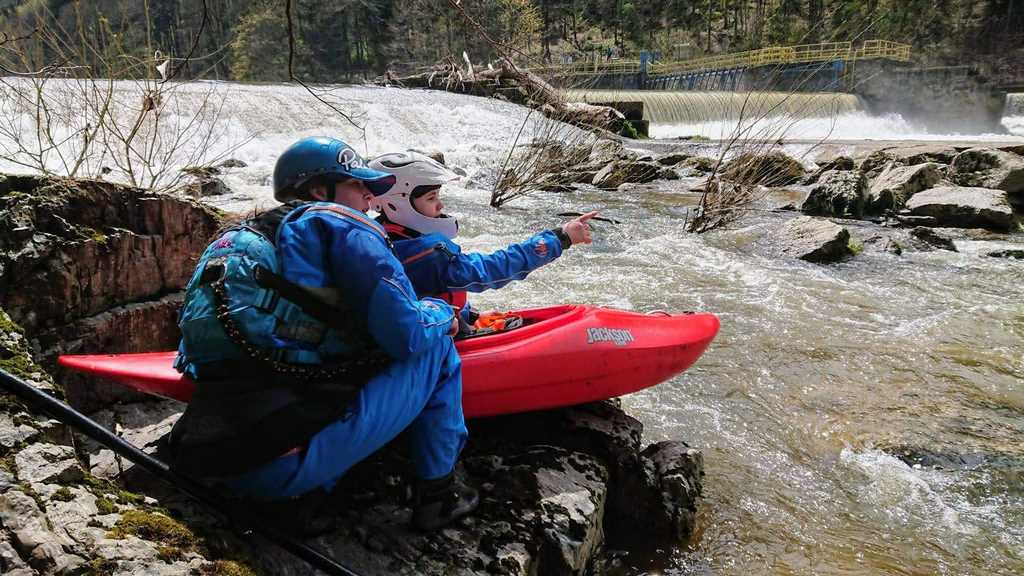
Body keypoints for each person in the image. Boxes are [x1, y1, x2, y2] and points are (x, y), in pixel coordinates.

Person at [168, 137, 478, 532]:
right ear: (319, 190)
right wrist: (441, 312)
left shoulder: (241, 238)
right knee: (436, 350)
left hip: (203, 451)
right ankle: (438, 496)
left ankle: (317, 490)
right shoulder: (345, 227)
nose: (370, 198)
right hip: (282, 468)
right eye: (359, 186)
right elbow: (407, 336)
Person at [366, 151, 596, 333]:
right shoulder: (423, 256)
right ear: (396, 203)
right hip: (439, 345)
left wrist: (471, 315)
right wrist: (561, 237)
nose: (440, 206)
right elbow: (490, 269)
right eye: (431, 198)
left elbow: (430, 291)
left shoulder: (385, 238)